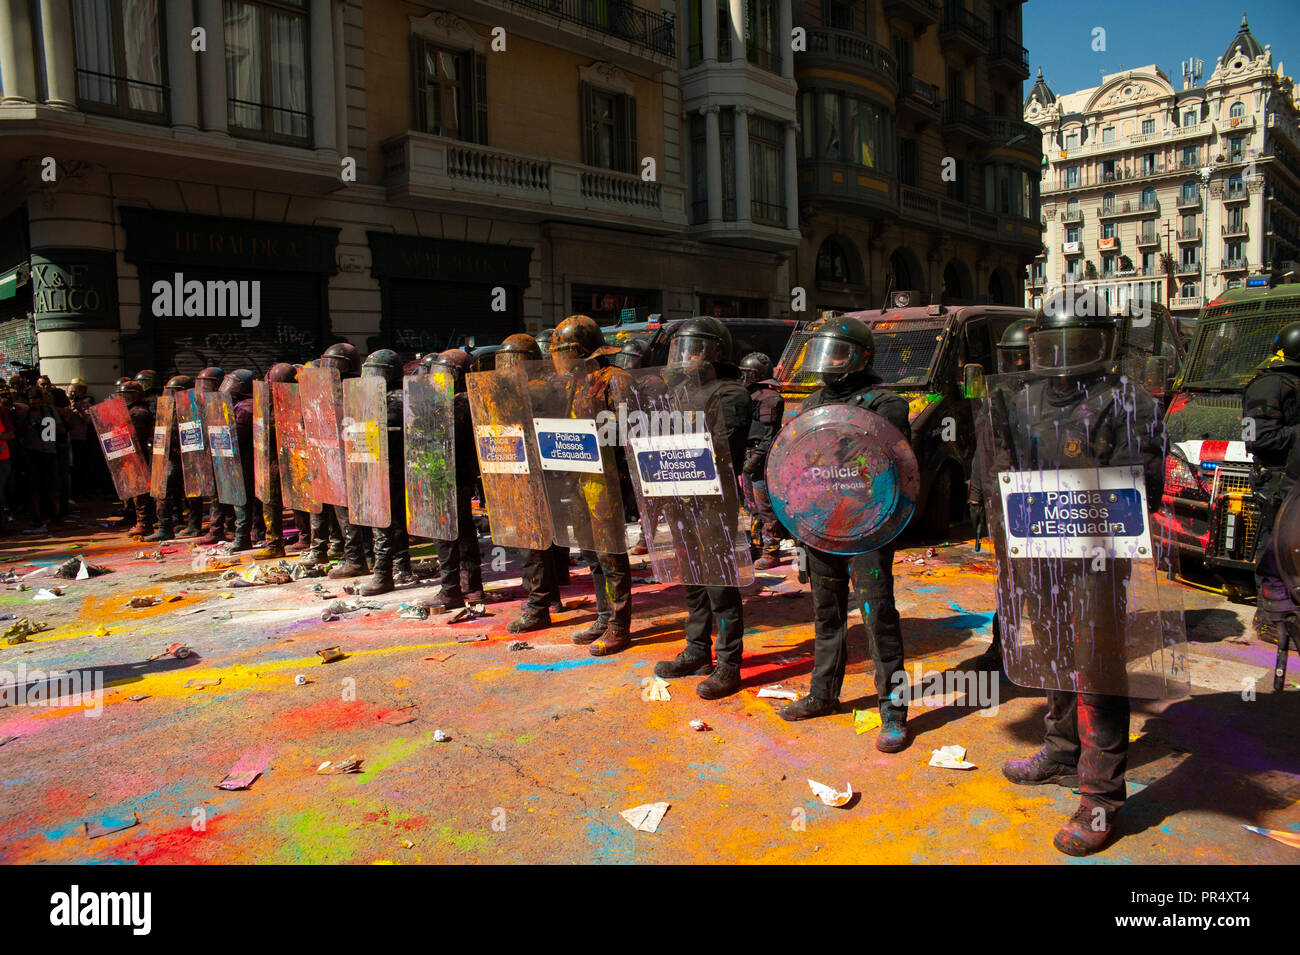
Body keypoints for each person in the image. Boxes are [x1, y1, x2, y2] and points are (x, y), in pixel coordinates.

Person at [998, 289, 1165, 856]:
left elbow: (1148, 483)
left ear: (1106, 345)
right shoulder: (1022, 401)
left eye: (1080, 343)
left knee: (1097, 672)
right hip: (1039, 555)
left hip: (1097, 560)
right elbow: (1004, 469)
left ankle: (1099, 798)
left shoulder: (1127, 401)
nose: (1067, 356)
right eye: (1056, 344)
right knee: (1051, 656)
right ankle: (1060, 750)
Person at [777, 316, 913, 755]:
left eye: (837, 353)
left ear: (861, 357)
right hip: (822, 525)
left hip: (867, 527)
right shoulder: (813, 403)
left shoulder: (885, 404)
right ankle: (824, 693)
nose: (828, 362)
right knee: (825, 612)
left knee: (878, 617)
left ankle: (893, 711)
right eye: (824, 352)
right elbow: (796, 462)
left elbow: (889, 467)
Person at [652, 318, 753, 698]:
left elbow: (721, 449)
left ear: (714, 352)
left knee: (719, 584)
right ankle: (697, 650)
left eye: (695, 348)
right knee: (692, 579)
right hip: (678, 497)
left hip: (712, 502)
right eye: (682, 348)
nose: (685, 356)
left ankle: (729, 662)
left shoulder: (728, 393)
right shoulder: (674, 394)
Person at [549, 315, 634, 656]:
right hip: (578, 475)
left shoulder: (615, 380)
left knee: (610, 551)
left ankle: (619, 624)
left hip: (606, 478)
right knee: (592, 552)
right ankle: (604, 615)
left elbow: (630, 432)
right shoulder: (574, 382)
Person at [966, 319, 1036, 671]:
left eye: (1024, 358)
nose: (1018, 365)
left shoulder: (1051, 395)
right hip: (1005, 502)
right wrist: (977, 495)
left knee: (1045, 580)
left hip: (1042, 501)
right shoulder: (997, 396)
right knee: (1010, 580)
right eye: (1013, 358)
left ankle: (1054, 643)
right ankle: (1002, 645)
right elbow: (984, 449)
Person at [494, 334, 565, 633]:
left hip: (530, 471)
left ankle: (538, 607)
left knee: (532, 542)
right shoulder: (547, 386)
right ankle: (551, 598)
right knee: (543, 540)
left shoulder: (532, 390)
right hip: (539, 471)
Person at [1243, 321, 1300, 645]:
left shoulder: (1292, 381)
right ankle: (1270, 621)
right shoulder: (1269, 385)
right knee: (1275, 550)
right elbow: (1256, 437)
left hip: (1294, 477)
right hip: (1277, 479)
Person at [300, 344, 370, 578]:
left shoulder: (350, 389)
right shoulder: (340, 388)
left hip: (349, 459)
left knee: (350, 512)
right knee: (353, 512)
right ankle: (360, 556)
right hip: (340, 458)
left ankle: (356, 560)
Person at [427, 348, 485, 611]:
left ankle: (451, 589)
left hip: (448, 474)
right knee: (463, 531)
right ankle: (471, 586)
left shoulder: (459, 403)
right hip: (459, 475)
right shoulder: (470, 400)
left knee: (447, 533)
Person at [357, 349, 416, 596]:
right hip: (398, 468)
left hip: (387, 467)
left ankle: (383, 574)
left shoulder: (390, 400)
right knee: (398, 519)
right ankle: (402, 567)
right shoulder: (404, 396)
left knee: (383, 521)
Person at [738, 351, 785, 569]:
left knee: (764, 506)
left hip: (761, 457)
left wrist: (756, 458)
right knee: (751, 507)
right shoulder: (748, 395)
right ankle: (756, 546)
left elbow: (769, 434)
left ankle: (771, 550)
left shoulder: (769, 397)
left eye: (748, 373)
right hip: (747, 456)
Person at [252, 363, 298, 559]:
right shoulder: (274, 402)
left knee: (274, 501)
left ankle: (275, 544)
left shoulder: (278, 403)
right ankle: (277, 543)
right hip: (281, 460)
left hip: (284, 460)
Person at [144, 375, 193, 542]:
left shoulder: (189, 409)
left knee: (169, 489)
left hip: (181, 456)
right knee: (173, 489)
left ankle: (170, 527)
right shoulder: (169, 409)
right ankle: (173, 524)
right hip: (172, 456)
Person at [219, 369, 261, 551]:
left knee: (242, 500)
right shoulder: (248, 404)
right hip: (252, 460)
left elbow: (238, 437)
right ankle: (257, 534)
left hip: (245, 460)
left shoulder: (245, 408)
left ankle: (243, 537)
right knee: (256, 500)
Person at [195, 366, 229, 544]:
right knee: (216, 493)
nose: (203, 389)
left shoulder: (223, 402)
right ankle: (222, 528)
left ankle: (218, 529)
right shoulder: (202, 405)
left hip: (225, 456)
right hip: (211, 454)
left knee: (222, 493)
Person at [119, 379, 156, 537]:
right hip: (135, 456)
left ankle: (144, 522)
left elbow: (137, 438)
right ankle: (143, 521)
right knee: (136, 491)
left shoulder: (138, 412)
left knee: (140, 491)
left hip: (140, 457)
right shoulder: (133, 410)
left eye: (125, 395)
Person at [20, 387, 60, 532]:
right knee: (35, 488)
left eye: (37, 401)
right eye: (32, 402)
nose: (35, 404)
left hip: (49, 452)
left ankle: (55, 516)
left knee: (53, 486)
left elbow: (60, 428)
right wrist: (28, 428)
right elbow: (20, 433)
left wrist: (48, 427)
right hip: (32, 453)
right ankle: (37, 517)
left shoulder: (49, 411)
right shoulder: (25, 414)